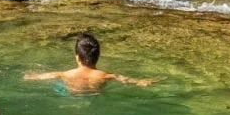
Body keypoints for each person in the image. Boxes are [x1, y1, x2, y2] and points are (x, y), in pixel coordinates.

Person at [24, 32, 152, 93]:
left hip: (71, 96)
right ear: (98, 56)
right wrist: (141, 82)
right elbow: (126, 79)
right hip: (93, 95)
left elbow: (44, 76)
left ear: (77, 58)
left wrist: (31, 77)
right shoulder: (105, 76)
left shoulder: (65, 74)